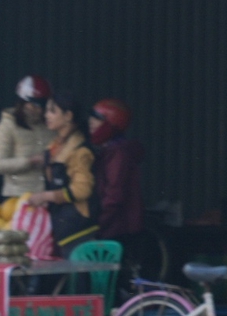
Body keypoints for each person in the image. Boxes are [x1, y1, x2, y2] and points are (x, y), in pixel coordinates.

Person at [8, 90, 96, 260]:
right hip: (61, 225)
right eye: (47, 110)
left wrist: (47, 196)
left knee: (76, 282)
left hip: (77, 228)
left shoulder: (80, 151)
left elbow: (82, 190)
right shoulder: (56, 146)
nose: (46, 115)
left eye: (52, 111)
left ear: (68, 116)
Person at [88, 98, 146, 241]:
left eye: (97, 119)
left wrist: (99, 222)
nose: (91, 122)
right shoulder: (108, 149)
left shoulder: (117, 153)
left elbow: (114, 194)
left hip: (115, 226)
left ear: (111, 125)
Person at [0, 74, 53, 201]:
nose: (38, 110)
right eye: (34, 105)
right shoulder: (7, 126)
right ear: (23, 102)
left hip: (45, 196)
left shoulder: (50, 125)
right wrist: (30, 161)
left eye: (42, 105)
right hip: (16, 196)